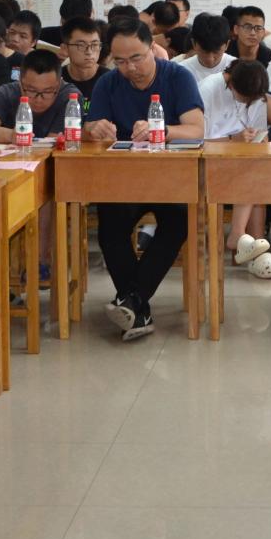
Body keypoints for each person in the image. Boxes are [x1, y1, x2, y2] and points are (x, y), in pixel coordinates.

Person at [80, 17, 206, 340]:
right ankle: (137, 305)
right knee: (110, 225)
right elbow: (89, 131)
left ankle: (133, 301)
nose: (130, 68)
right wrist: (93, 129)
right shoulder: (109, 83)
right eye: (120, 61)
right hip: (124, 179)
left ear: (153, 48)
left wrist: (162, 131)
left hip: (171, 178)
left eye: (136, 58)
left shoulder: (177, 77)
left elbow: (197, 129)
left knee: (178, 221)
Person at [198, 60, 271, 280]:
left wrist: (259, 140)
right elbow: (196, 141)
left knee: (256, 171)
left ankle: (247, 243)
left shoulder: (257, 95)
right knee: (251, 174)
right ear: (232, 84)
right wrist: (232, 140)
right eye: (245, 99)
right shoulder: (208, 89)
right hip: (208, 161)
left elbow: (261, 134)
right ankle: (249, 246)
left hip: (240, 161)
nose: (248, 103)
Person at [0, 48, 69, 140]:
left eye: (47, 91)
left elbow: (55, 144)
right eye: (32, 91)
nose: (38, 99)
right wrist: (11, 136)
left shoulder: (69, 98)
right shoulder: (7, 93)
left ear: (59, 84)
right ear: (20, 82)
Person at [59, 17, 107, 113]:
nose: (89, 52)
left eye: (94, 45)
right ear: (65, 48)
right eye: (81, 45)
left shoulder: (111, 81)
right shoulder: (57, 80)